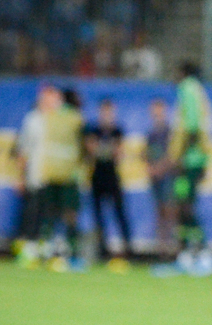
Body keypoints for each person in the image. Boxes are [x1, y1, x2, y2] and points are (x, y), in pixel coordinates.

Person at [29, 85, 84, 272]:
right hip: (67, 174)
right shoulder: (75, 118)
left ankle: (45, 253)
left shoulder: (49, 116)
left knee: (50, 214)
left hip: (51, 172)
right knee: (68, 216)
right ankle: (71, 255)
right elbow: (84, 145)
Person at [169, 62, 212, 272]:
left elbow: (192, 127)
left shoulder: (188, 88)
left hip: (190, 160)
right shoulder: (197, 91)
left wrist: (181, 158)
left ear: (183, 73)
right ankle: (186, 252)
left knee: (186, 205)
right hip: (193, 158)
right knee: (182, 204)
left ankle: (201, 251)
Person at [85, 98, 132, 271]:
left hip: (112, 177)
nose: (107, 115)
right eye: (104, 111)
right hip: (98, 177)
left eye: (109, 112)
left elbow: (118, 153)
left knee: (120, 213)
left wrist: (103, 150)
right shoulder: (94, 130)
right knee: (99, 216)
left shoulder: (117, 130)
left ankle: (128, 249)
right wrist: (106, 150)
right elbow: (91, 150)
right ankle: (102, 249)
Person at [13, 85, 56, 268]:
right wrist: (20, 177)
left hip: (55, 178)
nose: (51, 102)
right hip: (36, 175)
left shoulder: (59, 121)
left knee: (50, 216)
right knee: (32, 214)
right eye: (48, 98)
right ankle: (28, 253)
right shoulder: (32, 120)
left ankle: (45, 252)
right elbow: (23, 150)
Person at [145, 97, 176, 260]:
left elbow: (173, 154)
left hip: (168, 177)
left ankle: (172, 248)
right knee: (159, 212)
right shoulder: (151, 133)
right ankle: (162, 249)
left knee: (170, 210)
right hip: (156, 178)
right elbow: (147, 154)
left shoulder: (170, 132)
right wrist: (150, 167)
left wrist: (160, 168)